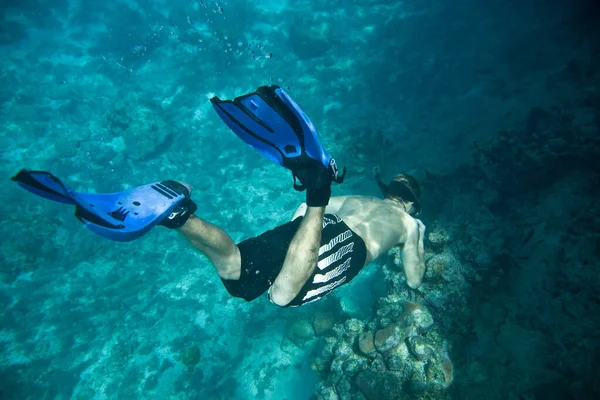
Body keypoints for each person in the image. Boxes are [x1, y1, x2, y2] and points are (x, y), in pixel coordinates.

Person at [12, 85, 426, 307]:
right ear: (409, 202)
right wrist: (413, 244)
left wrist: (303, 224)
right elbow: (413, 277)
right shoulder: (412, 223)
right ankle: (318, 188)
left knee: (239, 273)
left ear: (388, 189)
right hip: (342, 245)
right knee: (281, 296)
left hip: (314, 226)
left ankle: (179, 215)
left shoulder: (357, 198)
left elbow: (300, 211)